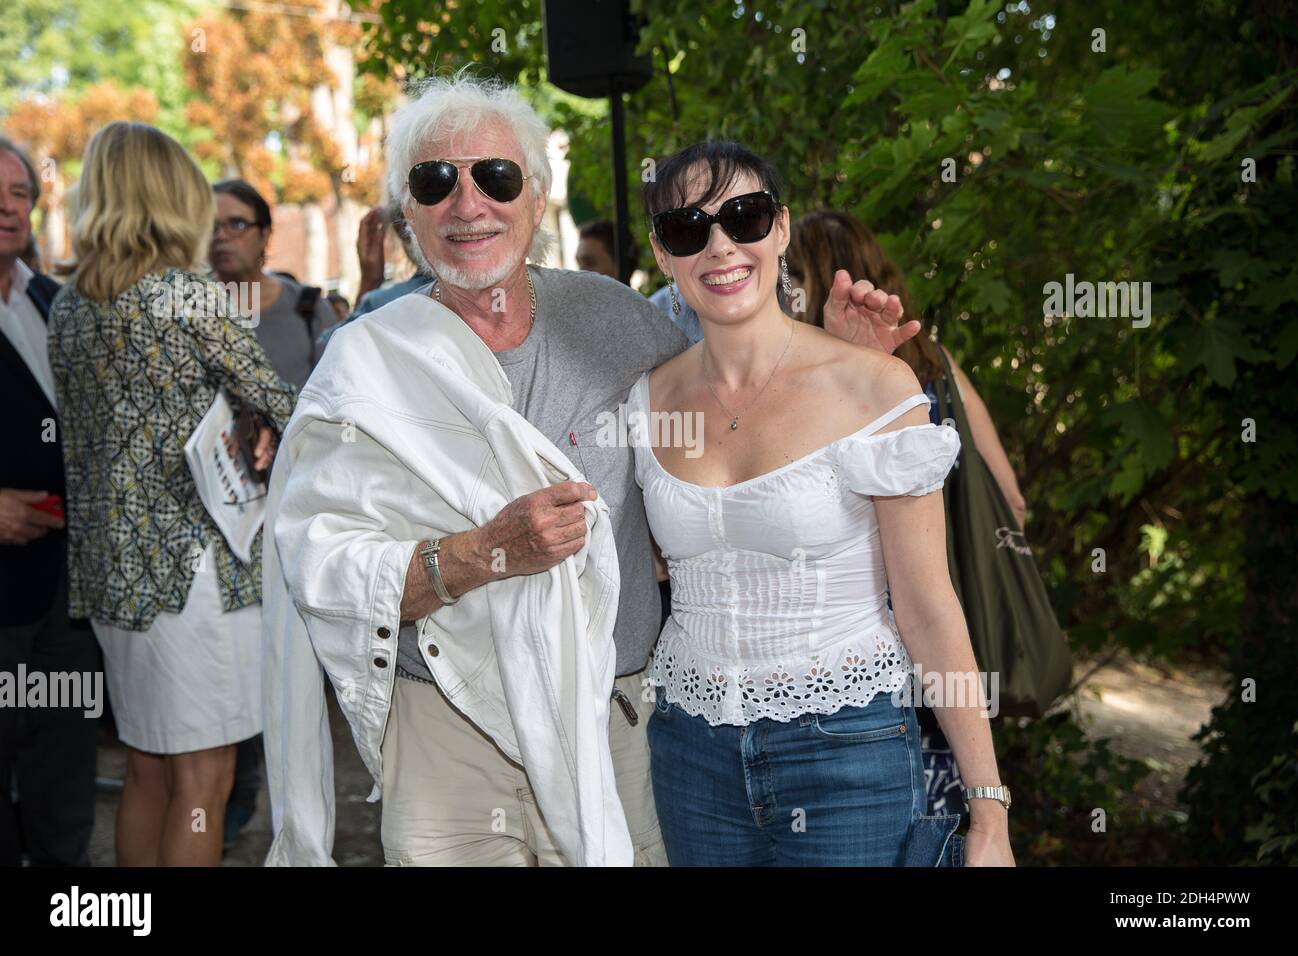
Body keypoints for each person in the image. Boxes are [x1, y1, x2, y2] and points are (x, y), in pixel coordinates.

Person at [264, 73, 914, 867]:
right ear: (408, 212)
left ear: (537, 200)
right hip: (448, 744)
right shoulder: (365, 364)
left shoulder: (620, 323)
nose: (468, 206)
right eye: (436, 182)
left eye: (495, 177)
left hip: (617, 728)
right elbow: (319, 571)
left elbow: (749, 422)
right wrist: (484, 552)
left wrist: (846, 365)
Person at [634, 140, 1016, 866]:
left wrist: (987, 810)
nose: (720, 246)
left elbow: (930, 606)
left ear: (779, 229)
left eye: (742, 217)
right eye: (689, 227)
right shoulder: (644, 402)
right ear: (663, 252)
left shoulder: (876, 391)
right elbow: (647, 565)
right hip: (689, 752)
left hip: (847, 752)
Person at [47, 121, 297, 866]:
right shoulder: (186, 296)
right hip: (192, 578)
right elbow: (283, 403)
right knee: (204, 779)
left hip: (113, 579)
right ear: (173, 196)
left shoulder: (69, 306)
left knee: (148, 770)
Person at [786, 210, 1030, 819]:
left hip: (858, 656)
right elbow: (1014, 503)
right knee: (940, 821)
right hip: (947, 641)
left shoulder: (806, 384)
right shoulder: (939, 364)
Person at [0, 136, 101, 867]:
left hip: (67, 596)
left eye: (19, 194)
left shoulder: (52, 300)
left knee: (63, 776)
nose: (7, 208)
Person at [210, 179, 338, 391]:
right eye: (212, 226)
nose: (221, 236)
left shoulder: (308, 307)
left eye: (237, 225)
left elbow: (335, 389)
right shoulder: (188, 309)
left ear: (265, 233)